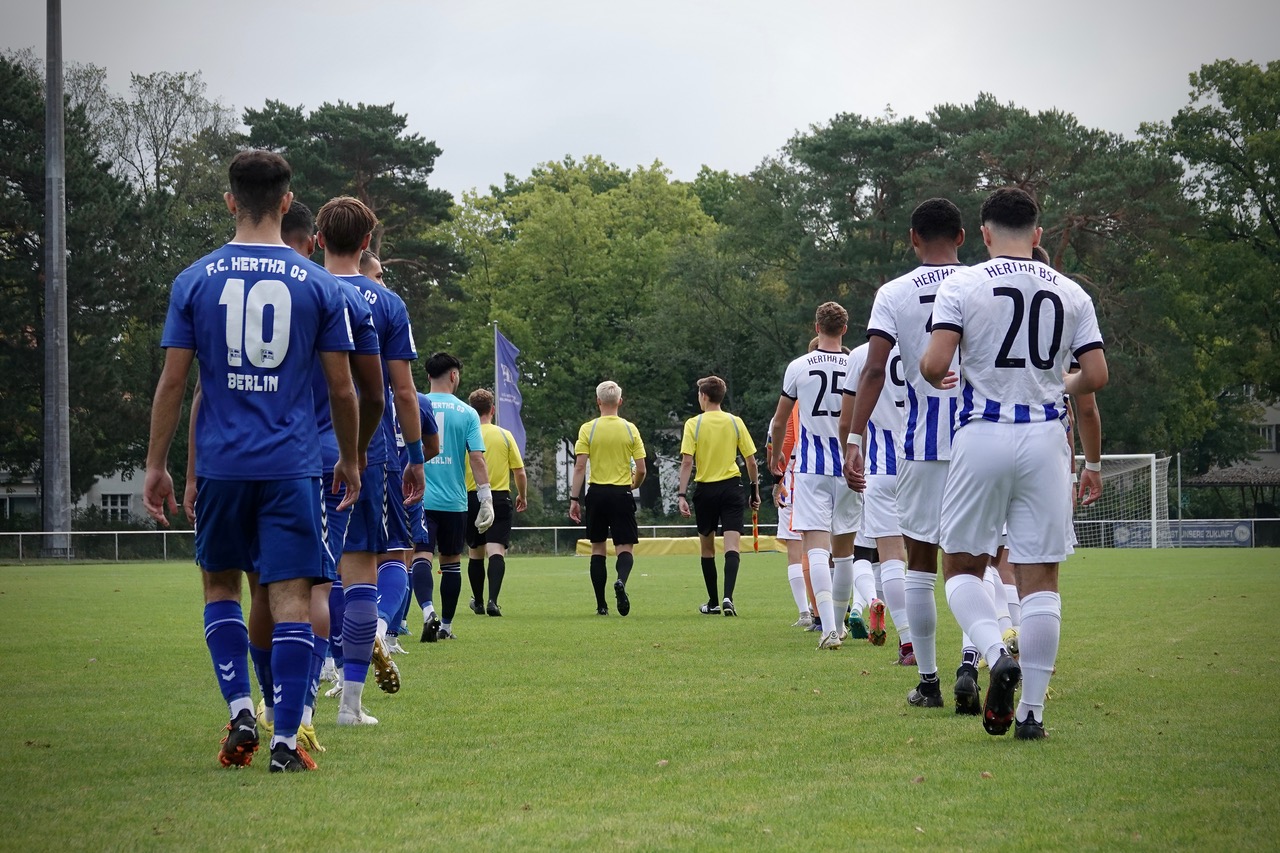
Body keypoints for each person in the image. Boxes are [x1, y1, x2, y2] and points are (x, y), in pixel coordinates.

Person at [143, 150, 360, 773]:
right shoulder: (318, 285)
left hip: (220, 467)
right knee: (291, 597)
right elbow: (342, 390)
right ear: (289, 203)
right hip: (292, 466)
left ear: (230, 200)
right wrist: (348, 459)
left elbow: (174, 383)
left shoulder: (194, 280)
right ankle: (287, 743)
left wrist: (158, 466)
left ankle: (241, 707)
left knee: (221, 587)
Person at [920, 186, 1108, 739]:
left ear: (982, 233)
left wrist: (940, 375)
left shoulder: (964, 282)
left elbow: (935, 364)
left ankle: (994, 650)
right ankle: (1032, 715)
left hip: (981, 434)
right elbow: (1095, 376)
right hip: (1046, 437)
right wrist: (1059, 381)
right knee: (1040, 579)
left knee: (959, 568)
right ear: (1038, 234)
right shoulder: (1072, 292)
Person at [841, 198, 976, 710]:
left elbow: (873, 371)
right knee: (975, 563)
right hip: (978, 438)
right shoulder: (981, 282)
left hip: (919, 445)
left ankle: (929, 680)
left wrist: (853, 441)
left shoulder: (893, 293)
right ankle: (971, 659)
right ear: (963, 237)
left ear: (913, 238)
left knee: (918, 562)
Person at [316, 196, 426, 722]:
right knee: (366, 568)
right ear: (366, 244)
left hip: (298, 450)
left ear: (317, 238)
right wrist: (416, 456)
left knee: (310, 577)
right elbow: (401, 391)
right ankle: (352, 705)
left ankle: (307, 689)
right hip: (365, 451)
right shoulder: (385, 302)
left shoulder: (304, 287)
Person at [769, 302, 862, 650]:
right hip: (850, 465)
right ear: (845, 329)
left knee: (817, 550)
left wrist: (778, 454)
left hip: (811, 467)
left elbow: (780, 420)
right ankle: (837, 624)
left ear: (816, 326)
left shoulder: (799, 366)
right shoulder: (857, 362)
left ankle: (828, 630)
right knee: (846, 554)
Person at [416, 352, 493, 640]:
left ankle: (427, 611)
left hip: (419, 498)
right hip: (454, 502)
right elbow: (477, 459)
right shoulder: (468, 413)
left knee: (420, 557)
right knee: (450, 563)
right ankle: (446, 626)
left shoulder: (414, 404)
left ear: (428, 377)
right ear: (453, 375)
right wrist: (485, 498)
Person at [676, 376, 761, 616]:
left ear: (704, 396)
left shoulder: (694, 424)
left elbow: (687, 461)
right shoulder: (735, 422)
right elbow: (751, 461)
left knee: (708, 548)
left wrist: (682, 494)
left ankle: (713, 601)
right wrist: (754, 489)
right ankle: (728, 597)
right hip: (732, 488)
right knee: (732, 545)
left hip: (706, 490)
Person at [842, 341, 906, 656]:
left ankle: (906, 640)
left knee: (882, 554)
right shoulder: (934, 341)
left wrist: (851, 453)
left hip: (880, 467)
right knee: (951, 560)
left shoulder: (859, 355)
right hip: (933, 460)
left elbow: (848, 420)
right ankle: (977, 647)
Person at [568, 381, 646, 616]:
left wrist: (574, 498)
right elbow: (641, 468)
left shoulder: (587, 429)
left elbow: (580, 467)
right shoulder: (630, 429)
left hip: (597, 493)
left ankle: (601, 605)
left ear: (598, 401)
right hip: (621, 492)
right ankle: (621, 580)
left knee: (598, 549)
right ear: (620, 402)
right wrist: (634, 485)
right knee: (625, 547)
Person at [464, 388, 527, 617]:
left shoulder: (465, 434)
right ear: (493, 410)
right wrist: (522, 495)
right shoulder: (504, 435)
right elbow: (519, 472)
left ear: (471, 410)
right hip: (499, 496)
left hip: (471, 496)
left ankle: (478, 602)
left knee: (475, 552)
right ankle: (493, 600)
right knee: (496, 550)